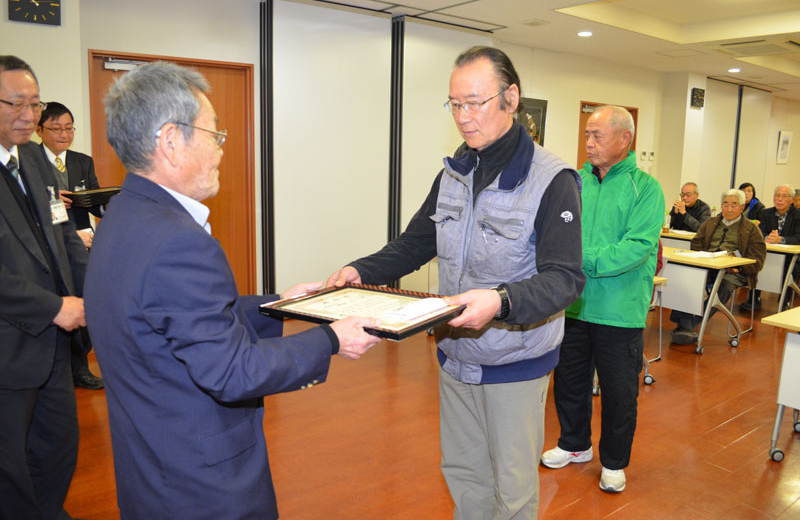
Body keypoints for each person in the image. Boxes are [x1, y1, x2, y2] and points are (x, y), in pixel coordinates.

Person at [83, 61, 382, 519]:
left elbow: (178, 318)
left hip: (152, 468)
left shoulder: (120, 218)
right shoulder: (177, 241)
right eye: (213, 135)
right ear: (170, 142)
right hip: (202, 487)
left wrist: (284, 306)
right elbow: (233, 372)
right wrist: (332, 338)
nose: (222, 150)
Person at [327, 46, 584, 519]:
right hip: (455, 354)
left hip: (515, 361)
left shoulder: (552, 179)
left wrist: (501, 301)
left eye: (475, 102)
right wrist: (360, 271)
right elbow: (415, 242)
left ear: (511, 98)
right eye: (455, 104)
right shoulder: (454, 172)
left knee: (512, 488)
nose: (464, 117)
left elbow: (565, 279)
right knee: (465, 476)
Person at [541, 106, 664, 494]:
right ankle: (574, 444)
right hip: (575, 304)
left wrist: (580, 261)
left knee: (619, 392)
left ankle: (613, 462)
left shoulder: (645, 188)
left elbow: (638, 247)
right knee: (569, 382)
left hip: (619, 310)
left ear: (624, 139)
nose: (589, 143)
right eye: (587, 135)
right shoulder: (575, 181)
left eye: (597, 135)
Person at [0, 55, 89, 520]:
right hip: (9, 344)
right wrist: (52, 306)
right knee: (8, 464)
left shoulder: (34, 157)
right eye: (16, 103)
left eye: (35, 104)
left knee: (58, 445)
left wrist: (96, 291)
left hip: (55, 345)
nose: (29, 116)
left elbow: (64, 238)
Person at [36, 101, 104, 390]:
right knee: (58, 307)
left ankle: (80, 367)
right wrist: (50, 203)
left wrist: (110, 205)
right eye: (56, 128)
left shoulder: (81, 161)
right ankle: (58, 369)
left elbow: (95, 201)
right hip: (49, 247)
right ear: (39, 130)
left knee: (89, 301)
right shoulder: (30, 163)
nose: (64, 134)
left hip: (83, 245)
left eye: (69, 128)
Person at [670, 189, 766, 344]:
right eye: (725, 204)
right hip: (708, 265)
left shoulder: (751, 229)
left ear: (742, 207)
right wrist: (701, 257)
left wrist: (739, 268)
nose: (729, 209)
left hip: (734, 271)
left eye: (734, 205)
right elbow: (696, 243)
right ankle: (685, 323)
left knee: (724, 285)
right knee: (686, 278)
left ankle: (691, 325)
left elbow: (758, 259)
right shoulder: (710, 223)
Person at [739, 184, 800, 312]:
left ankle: (784, 301)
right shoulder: (767, 213)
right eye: (777, 196)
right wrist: (768, 237)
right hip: (769, 254)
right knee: (757, 263)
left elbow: (798, 237)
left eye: (784, 196)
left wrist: (781, 239)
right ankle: (754, 299)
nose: (780, 199)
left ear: (791, 200)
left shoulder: (797, 215)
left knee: (790, 269)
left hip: (792, 257)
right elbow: (761, 231)